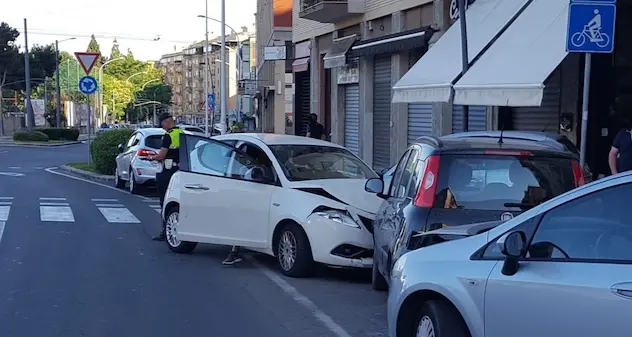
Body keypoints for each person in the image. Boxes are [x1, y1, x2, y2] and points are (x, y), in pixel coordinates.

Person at [148, 113, 184, 241]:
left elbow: (162, 155)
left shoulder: (168, 136)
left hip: (166, 171)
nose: (162, 126)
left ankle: (165, 231)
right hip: (179, 170)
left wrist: (151, 157)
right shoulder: (181, 133)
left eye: (162, 123)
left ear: (166, 122)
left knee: (164, 202)